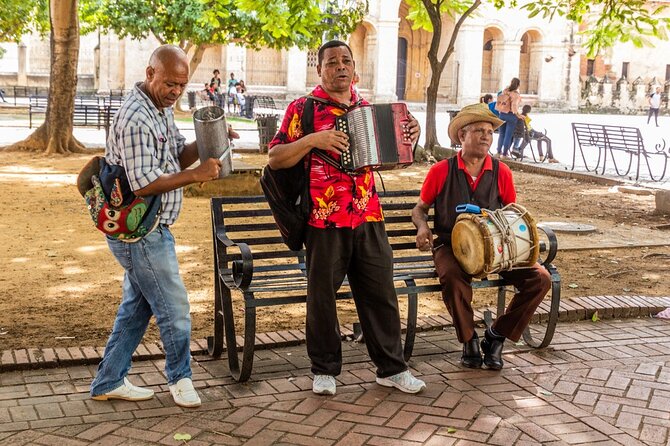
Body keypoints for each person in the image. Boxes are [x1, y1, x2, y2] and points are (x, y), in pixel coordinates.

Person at [267, 40, 426, 396]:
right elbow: (275, 157)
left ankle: (391, 368)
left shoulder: (367, 109)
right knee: (321, 296)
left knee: (380, 293)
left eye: (346, 61)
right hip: (323, 218)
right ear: (319, 69)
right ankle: (324, 370)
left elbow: (393, 158)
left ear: (354, 68)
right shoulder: (303, 109)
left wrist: (408, 138)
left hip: (368, 214)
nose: (340, 67)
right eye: (332, 62)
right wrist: (313, 139)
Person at [89, 45, 224, 408]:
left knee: (138, 307)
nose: (175, 92)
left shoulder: (159, 108)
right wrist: (196, 175)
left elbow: (176, 155)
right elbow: (144, 183)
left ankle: (108, 380)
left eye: (181, 85)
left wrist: (210, 141)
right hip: (142, 233)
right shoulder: (136, 117)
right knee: (175, 307)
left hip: (149, 229)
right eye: (170, 84)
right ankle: (180, 379)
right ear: (150, 74)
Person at [411, 103, 551, 371]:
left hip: (499, 250)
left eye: (489, 131)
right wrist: (422, 227)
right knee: (452, 278)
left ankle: (496, 336)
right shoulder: (441, 170)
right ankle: (469, 340)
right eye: (478, 130)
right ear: (462, 136)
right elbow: (420, 208)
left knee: (540, 279)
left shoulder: (502, 172)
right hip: (451, 245)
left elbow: (513, 215)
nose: (486, 136)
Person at [495, 78, 523, 158]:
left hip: (502, 114)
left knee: (501, 134)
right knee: (508, 135)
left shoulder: (505, 91)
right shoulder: (516, 94)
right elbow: (514, 107)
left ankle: (498, 152)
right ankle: (504, 154)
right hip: (511, 116)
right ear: (518, 85)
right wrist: (518, 115)